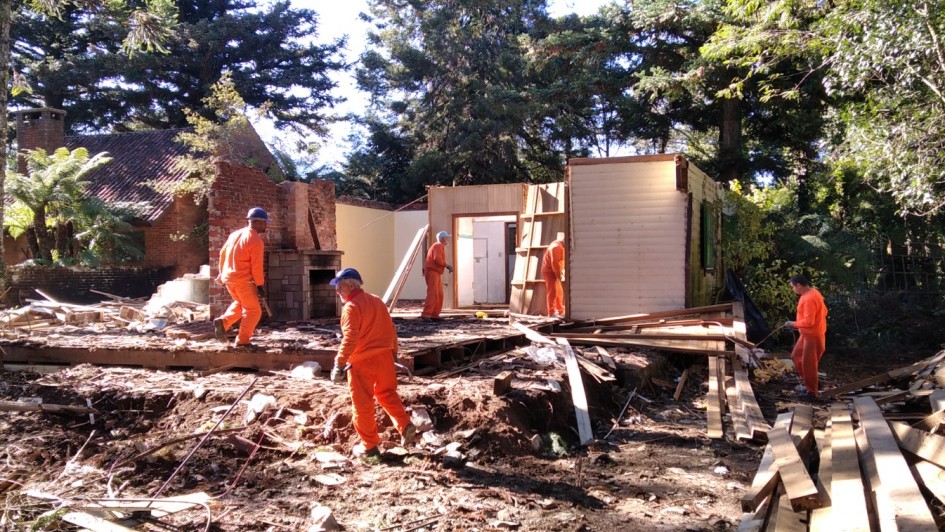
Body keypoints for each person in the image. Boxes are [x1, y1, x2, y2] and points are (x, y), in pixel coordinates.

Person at [328, 268, 417, 458]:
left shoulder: (351, 307)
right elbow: (391, 329)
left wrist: (339, 363)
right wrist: (393, 354)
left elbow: (350, 338)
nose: (338, 291)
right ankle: (405, 424)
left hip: (362, 363)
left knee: (362, 405)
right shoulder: (376, 300)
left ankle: (370, 447)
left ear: (351, 285)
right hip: (384, 358)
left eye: (340, 286)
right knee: (387, 393)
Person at [214, 207, 270, 349]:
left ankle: (223, 322)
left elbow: (222, 254)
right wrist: (259, 285)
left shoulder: (235, 234)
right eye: (265, 223)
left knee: (241, 303)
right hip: (243, 280)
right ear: (257, 222)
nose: (266, 226)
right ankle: (242, 341)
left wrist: (221, 274)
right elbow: (256, 266)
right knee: (254, 311)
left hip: (229, 278)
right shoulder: (255, 240)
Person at [784, 274, 828, 400]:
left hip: (812, 335)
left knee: (808, 364)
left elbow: (809, 322)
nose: (793, 289)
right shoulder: (813, 292)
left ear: (799, 285)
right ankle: (812, 382)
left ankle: (812, 392)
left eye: (793, 287)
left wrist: (793, 324)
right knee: (796, 356)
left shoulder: (809, 298)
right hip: (808, 334)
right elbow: (824, 311)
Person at [421, 230, 452, 320]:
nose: (448, 239)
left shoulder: (438, 246)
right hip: (432, 272)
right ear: (442, 238)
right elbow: (437, 259)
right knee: (433, 293)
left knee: (439, 294)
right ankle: (426, 314)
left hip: (436, 272)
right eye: (447, 238)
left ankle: (434, 315)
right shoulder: (438, 245)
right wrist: (447, 266)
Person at [541, 236, 566, 317]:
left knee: (559, 291)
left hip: (555, 271)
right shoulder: (556, 247)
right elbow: (555, 263)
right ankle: (551, 312)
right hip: (550, 271)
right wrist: (558, 274)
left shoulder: (560, 246)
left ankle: (560, 310)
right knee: (553, 292)